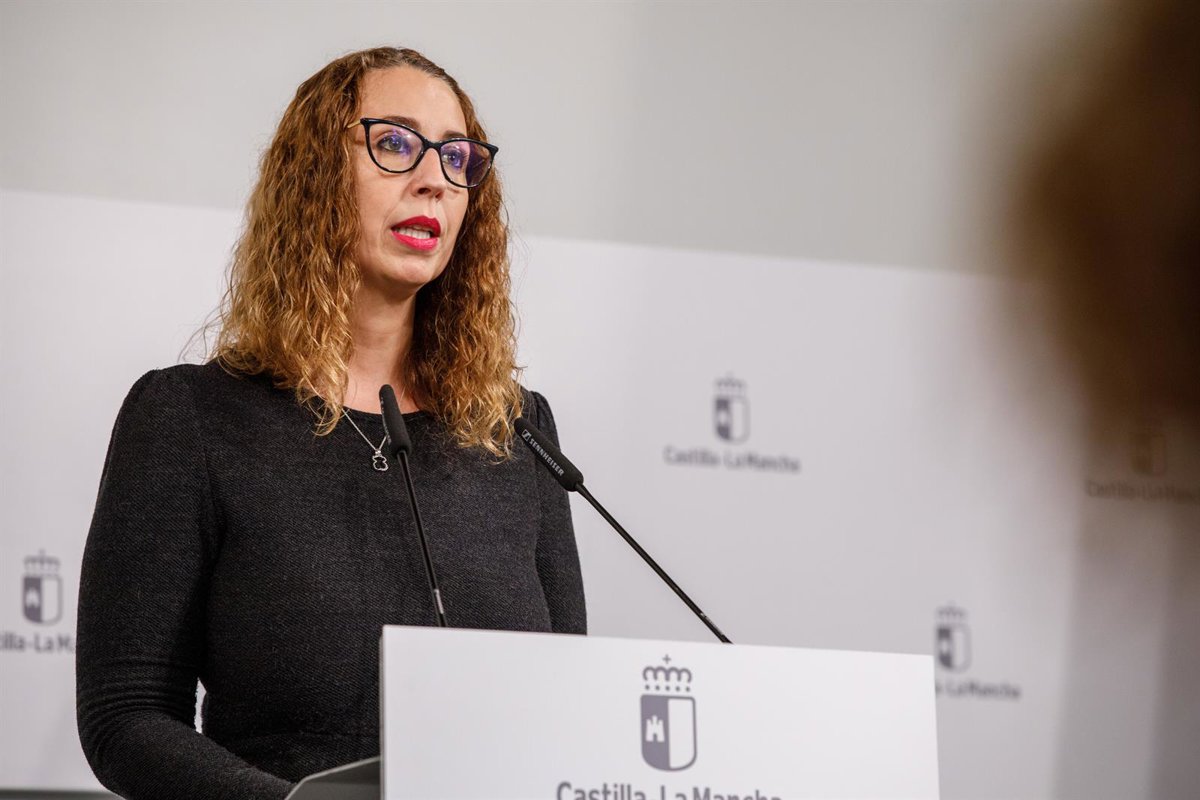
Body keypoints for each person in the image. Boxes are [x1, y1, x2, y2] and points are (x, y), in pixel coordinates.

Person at [76, 47, 586, 800]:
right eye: (395, 143)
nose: (434, 179)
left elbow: (572, 704)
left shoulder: (517, 431)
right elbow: (126, 717)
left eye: (457, 157)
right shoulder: (190, 419)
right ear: (314, 174)